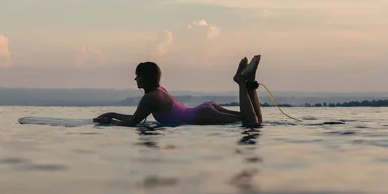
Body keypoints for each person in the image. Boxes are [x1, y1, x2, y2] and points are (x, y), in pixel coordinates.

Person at [94, 56, 263, 127]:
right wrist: (111, 113)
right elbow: (135, 118)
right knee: (255, 121)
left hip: (200, 115)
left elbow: (132, 123)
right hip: (203, 110)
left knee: (252, 123)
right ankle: (250, 81)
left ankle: (241, 82)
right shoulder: (159, 91)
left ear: (145, 78)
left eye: (138, 76)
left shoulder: (150, 98)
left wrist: (110, 123)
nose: (135, 79)